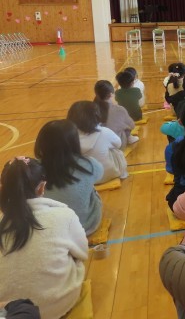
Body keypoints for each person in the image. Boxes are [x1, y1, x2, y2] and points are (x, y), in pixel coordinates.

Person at [0, 158, 87, 319]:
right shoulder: (63, 215)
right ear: (41, 187)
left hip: (10, 312)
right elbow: (83, 253)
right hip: (57, 305)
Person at [35, 120, 103, 235]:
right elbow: (99, 177)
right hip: (85, 226)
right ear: (74, 142)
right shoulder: (88, 164)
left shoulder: (33, 169)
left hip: (51, 230)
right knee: (91, 190)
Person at [67, 101, 127, 184]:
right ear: (96, 116)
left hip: (85, 178)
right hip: (110, 173)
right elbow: (119, 144)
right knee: (116, 149)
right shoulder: (104, 131)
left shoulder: (69, 135)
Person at [94, 79, 137, 147]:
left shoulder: (91, 108)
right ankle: (129, 138)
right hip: (116, 145)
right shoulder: (119, 109)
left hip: (97, 145)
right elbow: (132, 125)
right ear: (111, 94)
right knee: (125, 126)